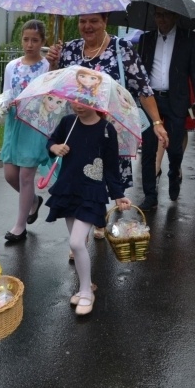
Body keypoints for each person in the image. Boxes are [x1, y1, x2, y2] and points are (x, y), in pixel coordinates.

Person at [46, 12, 169, 222]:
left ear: (105, 22)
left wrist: (157, 122)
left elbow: (143, 88)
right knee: (81, 174)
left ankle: (96, 215)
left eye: (94, 21)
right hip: (79, 123)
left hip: (111, 128)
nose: (87, 26)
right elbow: (58, 84)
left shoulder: (122, 48)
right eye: (83, 21)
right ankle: (82, 230)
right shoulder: (70, 49)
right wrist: (53, 63)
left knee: (105, 172)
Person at [45, 102, 131, 316]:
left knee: (75, 242)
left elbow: (111, 166)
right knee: (78, 244)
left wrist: (118, 194)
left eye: (83, 102)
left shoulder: (106, 129)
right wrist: (55, 148)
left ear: (97, 103)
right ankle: (87, 284)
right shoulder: (68, 122)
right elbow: (51, 141)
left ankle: (85, 292)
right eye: (74, 101)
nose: (77, 106)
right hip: (68, 188)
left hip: (91, 192)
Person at [136, 7, 195, 210]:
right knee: (148, 149)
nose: (162, 19)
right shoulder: (146, 39)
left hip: (176, 100)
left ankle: (173, 172)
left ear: (175, 16)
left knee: (175, 148)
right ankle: (150, 195)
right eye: (158, 15)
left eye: (166, 15)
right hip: (150, 100)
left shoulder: (189, 38)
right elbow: (138, 71)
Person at [0, 19, 51, 243]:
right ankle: (32, 202)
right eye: (26, 39)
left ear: (42, 42)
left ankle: (20, 227)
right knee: (10, 174)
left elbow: (52, 96)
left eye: (35, 40)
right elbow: (6, 93)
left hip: (36, 123)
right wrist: (4, 104)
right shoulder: (12, 66)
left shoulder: (48, 66)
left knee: (26, 175)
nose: (30, 44)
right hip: (14, 122)